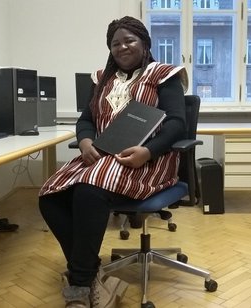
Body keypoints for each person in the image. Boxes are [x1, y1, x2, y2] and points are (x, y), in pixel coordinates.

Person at [38, 16, 188, 308]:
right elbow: (86, 120)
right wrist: (84, 141)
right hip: (103, 157)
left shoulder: (164, 75)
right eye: (115, 43)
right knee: (50, 196)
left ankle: (80, 286)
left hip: (149, 160)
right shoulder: (102, 79)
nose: (122, 47)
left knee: (88, 190)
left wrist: (148, 151)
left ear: (144, 44)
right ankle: (91, 270)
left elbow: (177, 124)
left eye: (129, 40)